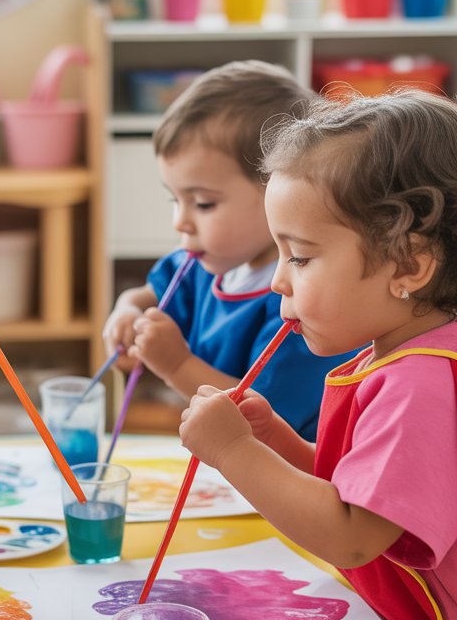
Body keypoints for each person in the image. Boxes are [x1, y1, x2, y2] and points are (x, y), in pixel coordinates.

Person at [179, 89, 457, 620]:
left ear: (409, 265)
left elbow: (350, 536)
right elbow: (360, 497)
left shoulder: (421, 384)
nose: (279, 280)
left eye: (300, 257)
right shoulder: (394, 355)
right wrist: (275, 440)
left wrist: (233, 451)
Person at [103, 61, 355, 439]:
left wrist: (176, 366)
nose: (180, 222)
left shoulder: (302, 301)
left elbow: (264, 420)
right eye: (175, 199)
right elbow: (150, 294)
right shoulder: (203, 263)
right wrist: (127, 311)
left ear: (278, 191)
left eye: (203, 204)